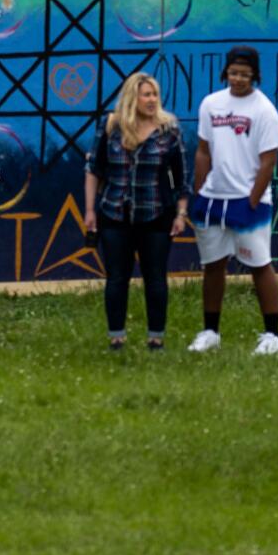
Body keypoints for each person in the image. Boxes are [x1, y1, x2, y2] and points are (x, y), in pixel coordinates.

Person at [187, 46, 278, 356]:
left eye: (245, 74)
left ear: (255, 76)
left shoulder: (263, 110)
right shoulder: (211, 105)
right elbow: (203, 150)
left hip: (249, 201)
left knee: (259, 264)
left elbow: (269, 160)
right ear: (225, 73)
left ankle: (273, 335)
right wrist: (198, 190)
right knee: (213, 265)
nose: (239, 79)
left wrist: (253, 200)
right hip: (214, 199)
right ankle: (210, 331)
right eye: (234, 73)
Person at [84, 72, 189, 351]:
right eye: (146, 94)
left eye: (155, 94)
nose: (152, 100)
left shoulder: (169, 129)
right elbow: (94, 169)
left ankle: (156, 338)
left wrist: (181, 213)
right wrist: (90, 210)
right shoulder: (111, 126)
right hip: (114, 212)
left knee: (155, 277)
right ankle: (116, 337)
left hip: (156, 212)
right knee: (117, 276)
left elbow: (181, 177)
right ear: (133, 97)